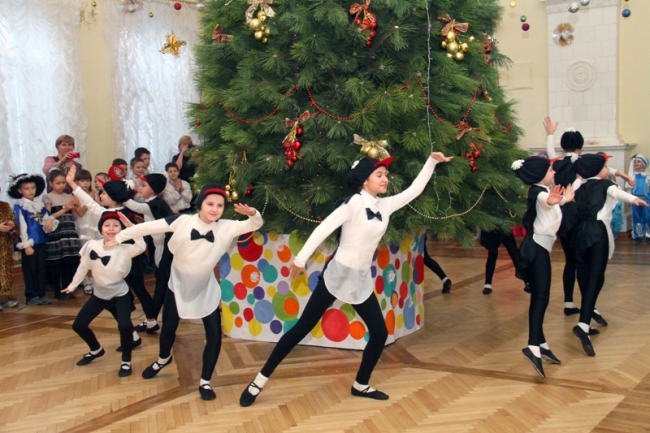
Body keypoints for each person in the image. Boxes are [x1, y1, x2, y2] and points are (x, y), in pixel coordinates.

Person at [239, 152, 453, 407]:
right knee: (300, 329)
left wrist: (431, 161)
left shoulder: (384, 206)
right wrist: (300, 259)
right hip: (337, 276)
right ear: (365, 180)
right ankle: (258, 381)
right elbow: (323, 228)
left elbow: (414, 191)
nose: (385, 179)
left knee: (380, 333)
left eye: (385, 174)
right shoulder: (353, 204)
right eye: (379, 175)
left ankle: (361, 384)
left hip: (360, 279)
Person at [105, 185, 263, 401]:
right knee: (168, 329)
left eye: (219, 206)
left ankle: (205, 381)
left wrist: (253, 213)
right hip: (178, 285)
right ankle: (163, 359)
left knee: (214, 336)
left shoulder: (226, 227)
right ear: (200, 204)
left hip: (205, 288)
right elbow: (149, 227)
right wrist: (120, 237)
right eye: (210, 204)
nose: (214, 209)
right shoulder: (183, 221)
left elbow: (255, 224)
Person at [543, 117, 633, 316]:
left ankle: (568, 303)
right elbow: (599, 167)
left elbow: (550, 153)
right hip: (580, 217)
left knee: (570, 261)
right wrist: (620, 173)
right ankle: (589, 306)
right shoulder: (582, 163)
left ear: (563, 146)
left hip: (562, 217)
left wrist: (550, 134)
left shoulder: (557, 164)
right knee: (584, 264)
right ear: (580, 147)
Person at [571, 154, 649, 356]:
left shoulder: (579, 186)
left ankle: (586, 321)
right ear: (598, 170)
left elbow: (571, 194)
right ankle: (583, 323)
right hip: (598, 233)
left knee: (586, 276)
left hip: (581, 233)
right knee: (596, 278)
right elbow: (618, 193)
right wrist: (635, 200)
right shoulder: (606, 185)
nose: (608, 170)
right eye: (606, 167)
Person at [66, 166, 148, 349]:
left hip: (126, 265)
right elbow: (91, 203)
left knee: (125, 301)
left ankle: (136, 331)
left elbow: (136, 243)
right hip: (114, 267)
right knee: (116, 304)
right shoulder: (109, 213)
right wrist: (72, 184)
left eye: (103, 193)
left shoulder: (121, 216)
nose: (100, 196)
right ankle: (132, 335)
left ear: (114, 196)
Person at [63, 211, 146, 377]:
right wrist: (72, 286)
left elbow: (142, 246)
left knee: (125, 326)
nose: (111, 229)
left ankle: (126, 361)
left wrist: (131, 227)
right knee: (78, 325)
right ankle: (96, 349)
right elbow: (83, 267)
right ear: (100, 229)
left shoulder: (125, 248)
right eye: (107, 225)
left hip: (119, 294)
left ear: (121, 230)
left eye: (116, 226)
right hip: (99, 295)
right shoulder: (92, 246)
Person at [513, 156, 574, 378]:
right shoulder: (538, 192)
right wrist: (555, 200)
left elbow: (550, 204)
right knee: (541, 297)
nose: (554, 173)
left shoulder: (543, 191)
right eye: (550, 170)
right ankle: (533, 345)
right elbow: (545, 201)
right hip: (536, 250)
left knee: (541, 297)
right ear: (539, 175)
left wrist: (563, 200)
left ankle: (541, 343)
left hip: (540, 249)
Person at [121, 173, 174, 332]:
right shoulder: (152, 204)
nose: (140, 188)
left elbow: (134, 206)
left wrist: (120, 191)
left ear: (154, 189)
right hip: (160, 247)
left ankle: (152, 319)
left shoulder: (154, 204)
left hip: (166, 248)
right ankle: (152, 319)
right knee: (163, 284)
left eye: (143, 186)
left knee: (162, 284)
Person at [9, 174, 58, 305]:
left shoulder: (39, 204)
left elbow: (47, 217)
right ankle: (31, 295)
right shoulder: (20, 207)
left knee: (41, 268)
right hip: (29, 243)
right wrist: (26, 245)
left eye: (33, 188)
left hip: (41, 240)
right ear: (20, 190)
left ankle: (41, 293)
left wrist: (49, 221)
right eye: (27, 188)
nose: (31, 191)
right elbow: (21, 226)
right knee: (30, 269)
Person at [43, 170, 81, 301]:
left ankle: (67, 289)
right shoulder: (48, 197)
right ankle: (58, 291)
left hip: (69, 233)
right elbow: (48, 217)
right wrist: (65, 209)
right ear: (51, 183)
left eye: (63, 183)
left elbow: (74, 218)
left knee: (70, 263)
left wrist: (73, 208)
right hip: (57, 234)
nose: (61, 185)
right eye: (58, 183)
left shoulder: (69, 196)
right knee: (57, 264)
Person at [74, 169, 101, 294]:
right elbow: (80, 212)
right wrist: (89, 200)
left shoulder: (93, 193)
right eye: (82, 181)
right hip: (84, 226)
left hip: (94, 225)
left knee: (95, 254)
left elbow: (99, 208)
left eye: (87, 181)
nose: (85, 183)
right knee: (85, 255)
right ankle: (85, 281)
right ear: (76, 182)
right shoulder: (76, 195)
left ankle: (94, 279)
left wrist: (94, 199)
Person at [480, 227, 529, 295]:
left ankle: (527, 282)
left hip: (503, 226)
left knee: (514, 254)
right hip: (491, 228)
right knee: (493, 254)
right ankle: (487, 284)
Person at [0, 189, 18, 310]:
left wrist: (12, 226)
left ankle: (5, 299)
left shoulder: (5, 206)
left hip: (4, 245)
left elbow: (13, 222)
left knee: (5, 272)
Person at [626, 154, 650, 244]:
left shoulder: (648, 176)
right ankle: (637, 236)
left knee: (647, 217)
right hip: (635, 200)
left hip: (647, 200)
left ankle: (648, 235)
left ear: (644, 164)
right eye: (635, 162)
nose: (636, 163)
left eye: (638, 162)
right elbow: (629, 188)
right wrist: (628, 199)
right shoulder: (632, 176)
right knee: (636, 217)